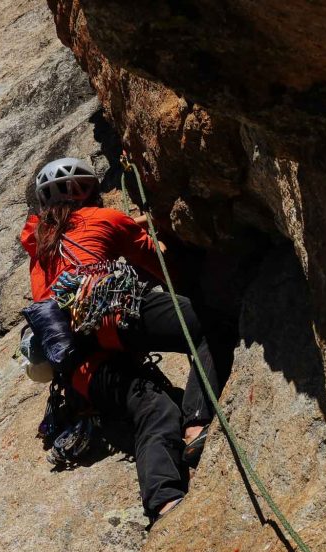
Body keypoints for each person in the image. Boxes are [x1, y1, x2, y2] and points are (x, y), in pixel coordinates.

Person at [20, 157, 222, 523]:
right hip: (116, 313)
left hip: (82, 367)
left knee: (156, 409)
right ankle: (197, 422)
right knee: (210, 323)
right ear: (94, 193)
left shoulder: (39, 247)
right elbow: (162, 268)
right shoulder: (106, 219)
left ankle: (164, 501)